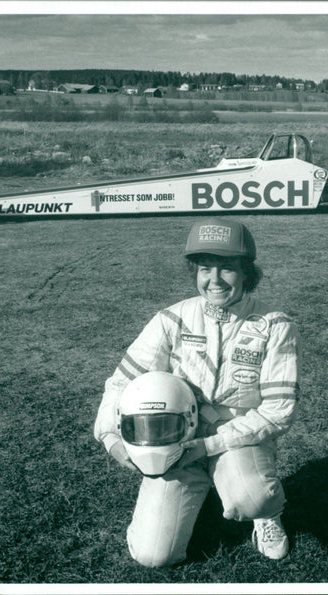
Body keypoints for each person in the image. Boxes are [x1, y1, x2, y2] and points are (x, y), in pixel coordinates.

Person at [94, 217, 301, 567]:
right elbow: (121, 382)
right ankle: (196, 487)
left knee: (253, 498)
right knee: (153, 556)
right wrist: (111, 438)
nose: (214, 280)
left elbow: (278, 410)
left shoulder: (274, 325)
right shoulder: (172, 319)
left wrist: (209, 446)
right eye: (206, 268)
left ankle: (265, 515)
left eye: (228, 269)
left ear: (246, 273)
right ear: (195, 271)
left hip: (237, 437)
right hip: (174, 438)